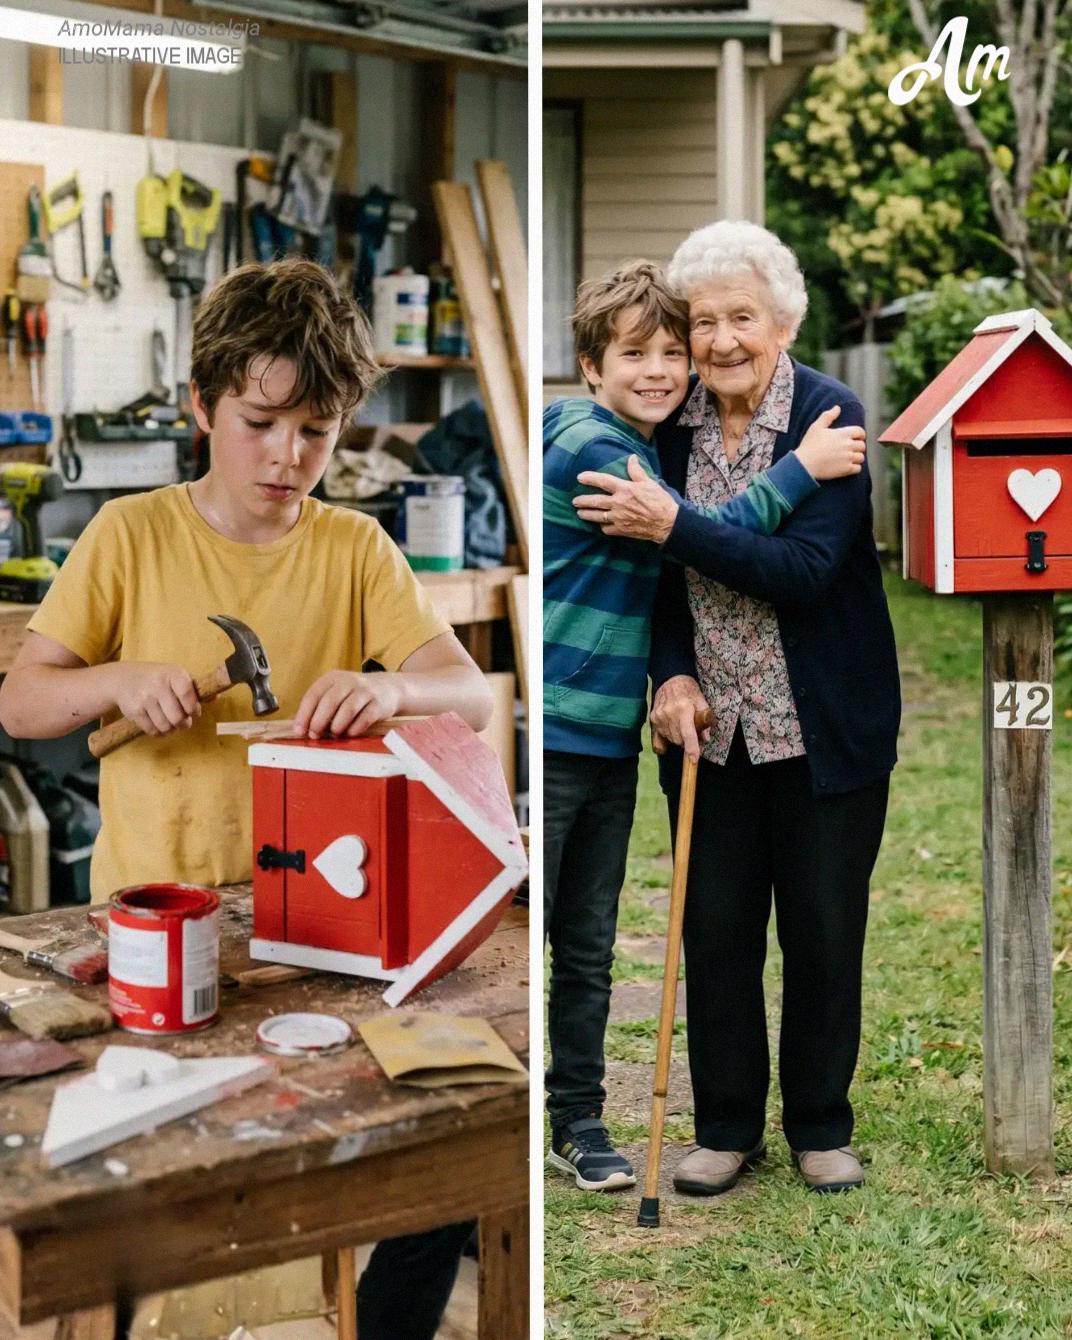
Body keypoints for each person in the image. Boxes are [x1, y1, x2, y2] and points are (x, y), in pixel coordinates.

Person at [0, 258, 489, 1337]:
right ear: (201, 406)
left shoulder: (355, 548)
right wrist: (116, 679)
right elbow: (22, 702)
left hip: (317, 927)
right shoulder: (130, 534)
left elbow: (471, 696)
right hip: (149, 924)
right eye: (260, 422)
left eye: (316, 430)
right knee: (153, 1187)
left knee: (433, 1154)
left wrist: (393, 687)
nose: (287, 456)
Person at [574, 221, 901, 1196]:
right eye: (704, 321)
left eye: (741, 318)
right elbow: (657, 583)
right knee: (715, 929)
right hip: (709, 732)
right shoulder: (670, 428)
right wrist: (670, 675)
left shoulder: (830, 418)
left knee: (822, 929)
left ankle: (820, 1125)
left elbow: (802, 571)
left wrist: (674, 524)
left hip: (822, 725)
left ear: (782, 322)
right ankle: (724, 1126)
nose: (720, 341)